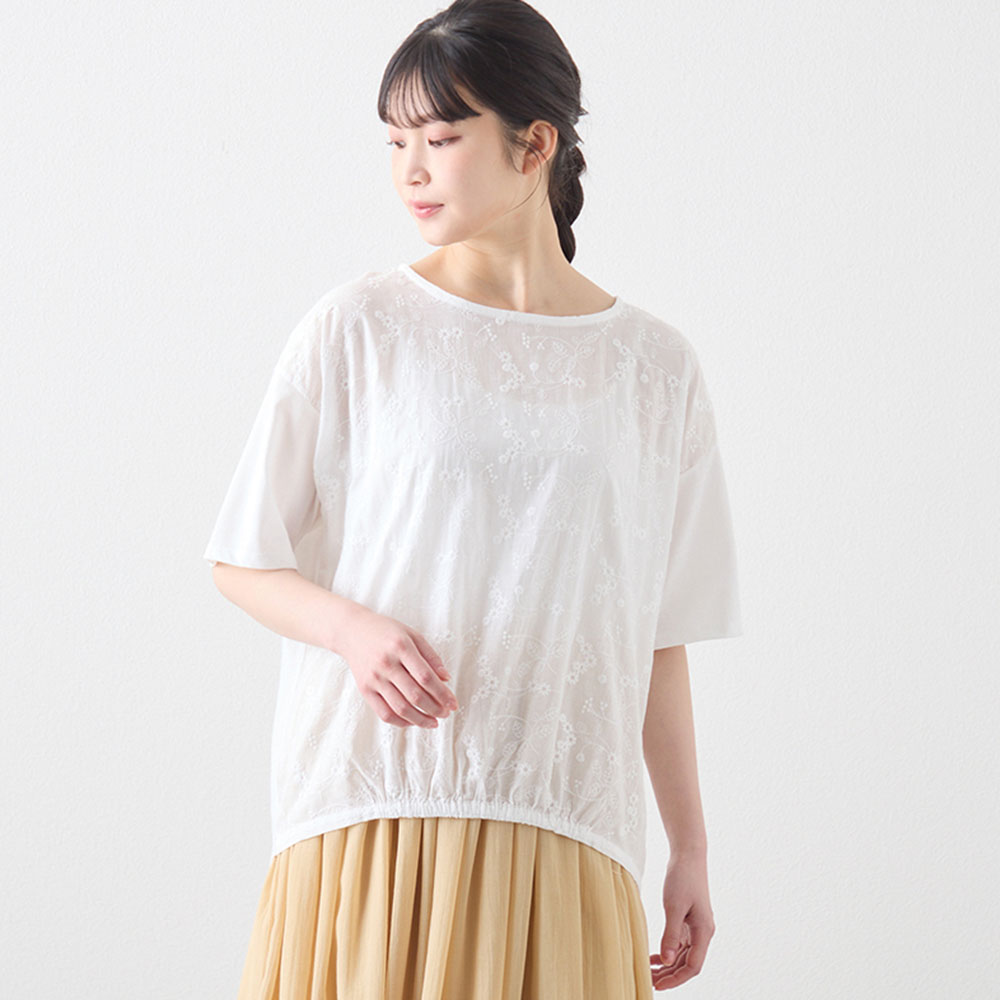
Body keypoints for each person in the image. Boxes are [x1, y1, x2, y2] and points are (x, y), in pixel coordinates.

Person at [202, 0, 742, 996]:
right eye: (395, 140)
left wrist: (690, 849)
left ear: (534, 145)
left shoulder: (654, 369)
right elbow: (242, 556)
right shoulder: (359, 328)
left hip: (566, 822)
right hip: (377, 812)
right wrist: (353, 630)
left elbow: (657, 633)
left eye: (441, 139)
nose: (409, 169)